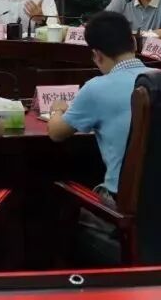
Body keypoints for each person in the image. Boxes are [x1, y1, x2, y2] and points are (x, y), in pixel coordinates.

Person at [48, 11, 149, 201]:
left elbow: (56, 132)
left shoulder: (97, 88)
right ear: (134, 43)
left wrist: (57, 109)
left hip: (123, 200)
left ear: (97, 55)